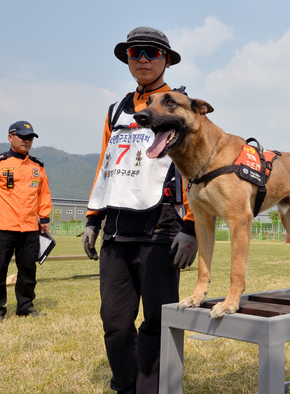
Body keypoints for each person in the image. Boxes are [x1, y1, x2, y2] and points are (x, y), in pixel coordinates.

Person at [81, 26, 197, 394]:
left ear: (166, 59)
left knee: (158, 320)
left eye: (151, 52)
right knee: (114, 321)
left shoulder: (180, 106)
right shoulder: (116, 109)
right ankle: (125, 386)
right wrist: (92, 218)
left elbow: (196, 166)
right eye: (135, 53)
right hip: (116, 228)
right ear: (127, 60)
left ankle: (151, 389)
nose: (143, 59)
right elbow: (107, 164)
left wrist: (190, 226)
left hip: (161, 225)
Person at [0, 121, 52, 325]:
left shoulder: (37, 166)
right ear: (10, 137)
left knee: (28, 269)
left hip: (29, 228)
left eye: (30, 138)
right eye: (23, 137)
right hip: (1, 227)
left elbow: (43, 194)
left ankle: (25, 307)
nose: (27, 141)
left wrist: (44, 219)